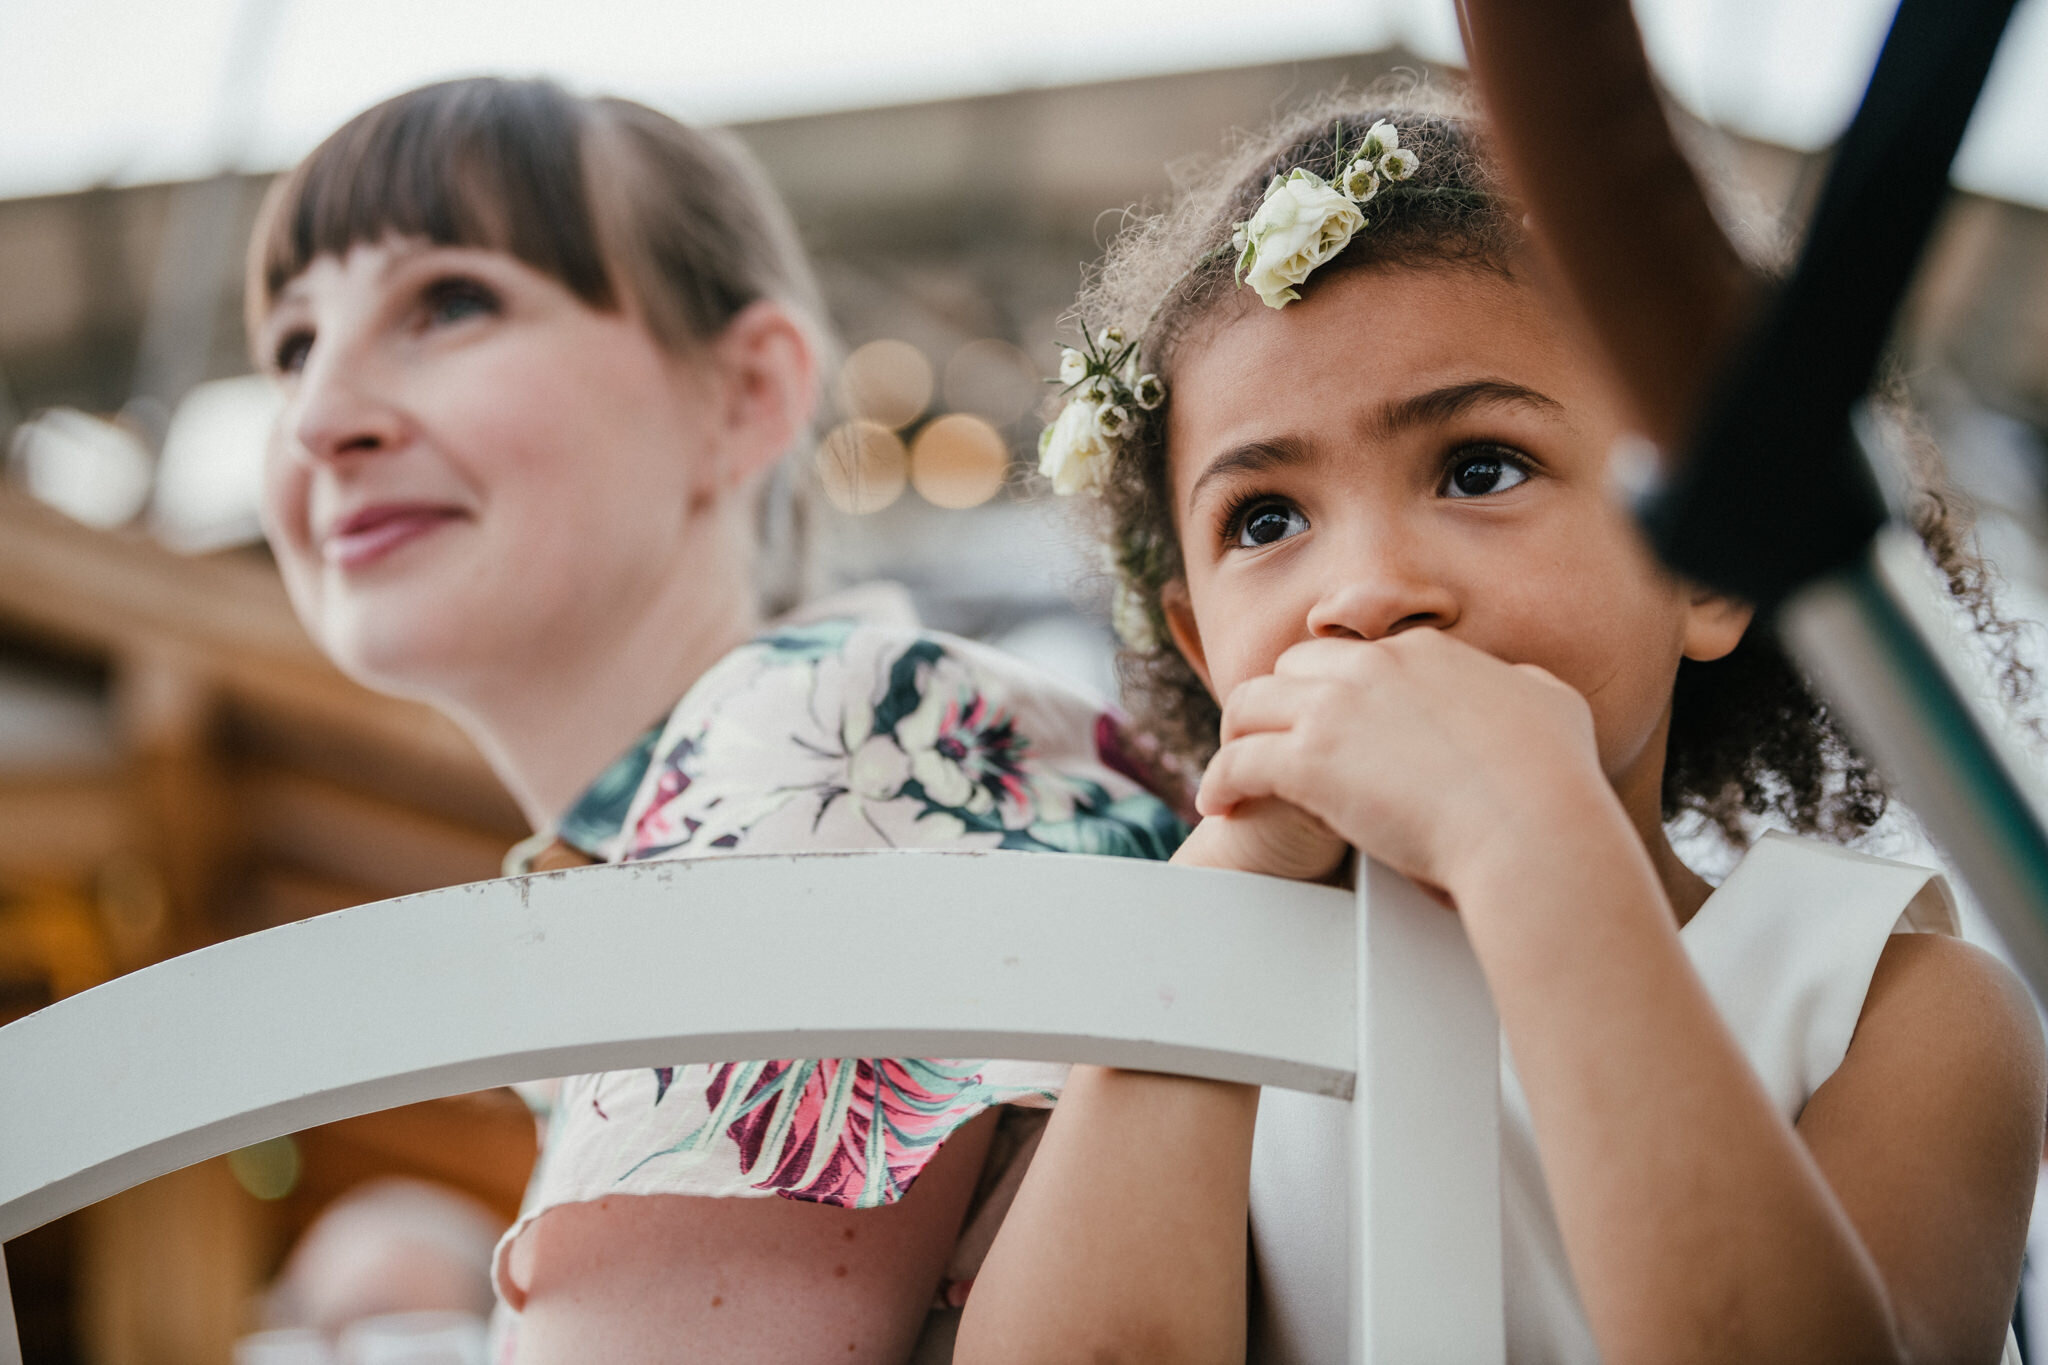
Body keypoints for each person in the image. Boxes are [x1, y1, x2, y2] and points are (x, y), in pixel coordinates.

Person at [955, 85, 2048, 1364]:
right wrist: (1222, 909)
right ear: (1199, 646)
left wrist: (1524, 837)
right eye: (1264, 519)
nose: (1361, 591)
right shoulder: (1188, 997)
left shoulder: (1887, 998)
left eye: (1478, 468)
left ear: (1704, 568)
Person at [247, 76, 1186, 1362]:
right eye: (291, 345)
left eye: (450, 302)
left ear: (745, 394)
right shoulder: (753, 791)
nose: (317, 419)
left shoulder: (839, 737)